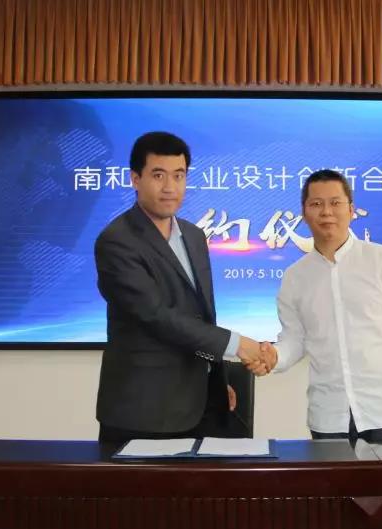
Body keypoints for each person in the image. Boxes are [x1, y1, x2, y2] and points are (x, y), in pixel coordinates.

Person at [94, 131, 275, 444]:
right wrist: (239, 345)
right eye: (158, 175)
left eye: (178, 176)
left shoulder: (194, 236)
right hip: (143, 413)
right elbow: (157, 317)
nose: (170, 187)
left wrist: (214, 382)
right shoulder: (117, 241)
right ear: (135, 179)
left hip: (202, 406)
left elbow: (199, 317)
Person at [262, 169, 382, 442]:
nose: (326, 212)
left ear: (351, 210)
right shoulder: (294, 277)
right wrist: (273, 357)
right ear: (304, 213)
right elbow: (295, 340)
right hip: (328, 416)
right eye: (316, 204)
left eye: (335, 203)